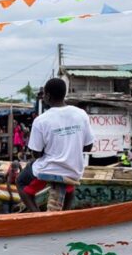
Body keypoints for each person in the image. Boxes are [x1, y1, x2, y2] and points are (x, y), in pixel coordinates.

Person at [17, 78, 94, 212]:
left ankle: (37, 216)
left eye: (44, 95)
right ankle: (65, 214)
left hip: (49, 169)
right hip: (74, 170)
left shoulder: (41, 120)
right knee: (69, 187)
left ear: (48, 96)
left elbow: (36, 153)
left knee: (21, 183)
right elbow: (88, 147)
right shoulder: (81, 114)